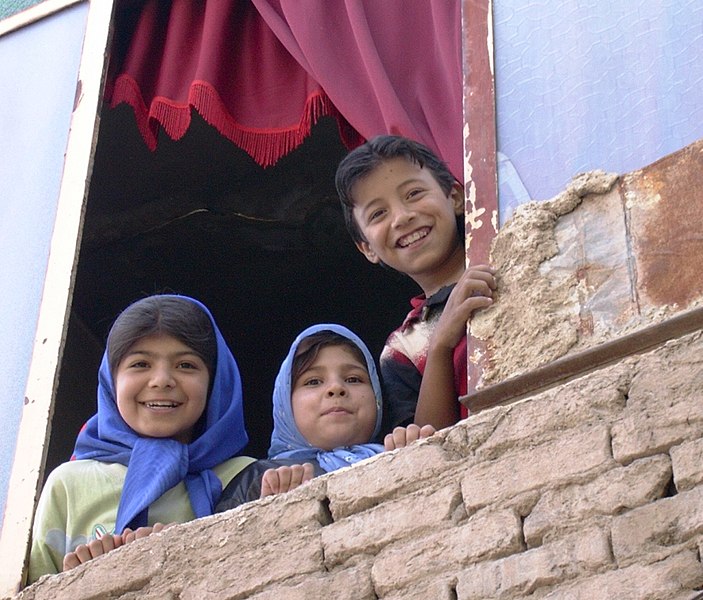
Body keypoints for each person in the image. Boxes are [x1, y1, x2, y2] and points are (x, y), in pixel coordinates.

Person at [27, 294, 254, 583]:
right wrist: (83, 582)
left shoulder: (246, 478)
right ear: (111, 381)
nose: (161, 380)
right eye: (140, 364)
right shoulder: (69, 485)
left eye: (186, 365)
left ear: (215, 383)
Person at [335, 135, 497, 432]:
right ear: (367, 248)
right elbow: (425, 452)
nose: (402, 217)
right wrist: (440, 346)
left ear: (455, 196)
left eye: (413, 194)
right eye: (378, 213)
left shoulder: (510, 261)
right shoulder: (403, 348)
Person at [216, 324, 434, 510]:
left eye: (353, 378)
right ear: (284, 404)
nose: (336, 388)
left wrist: (416, 462)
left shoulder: (397, 454)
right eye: (313, 381)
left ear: (377, 396)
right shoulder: (258, 479)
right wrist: (270, 513)